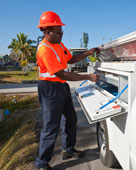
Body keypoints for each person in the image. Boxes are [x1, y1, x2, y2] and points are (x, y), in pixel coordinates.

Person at [35, 11, 99, 170]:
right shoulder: (44, 50)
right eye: (59, 31)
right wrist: (88, 76)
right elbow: (62, 73)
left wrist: (88, 52)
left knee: (71, 119)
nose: (62, 34)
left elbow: (70, 59)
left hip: (61, 86)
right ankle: (42, 163)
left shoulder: (59, 44)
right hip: (49, 89)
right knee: (51, 127)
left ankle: (68, 149)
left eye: (61, 31)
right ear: (47, 32)